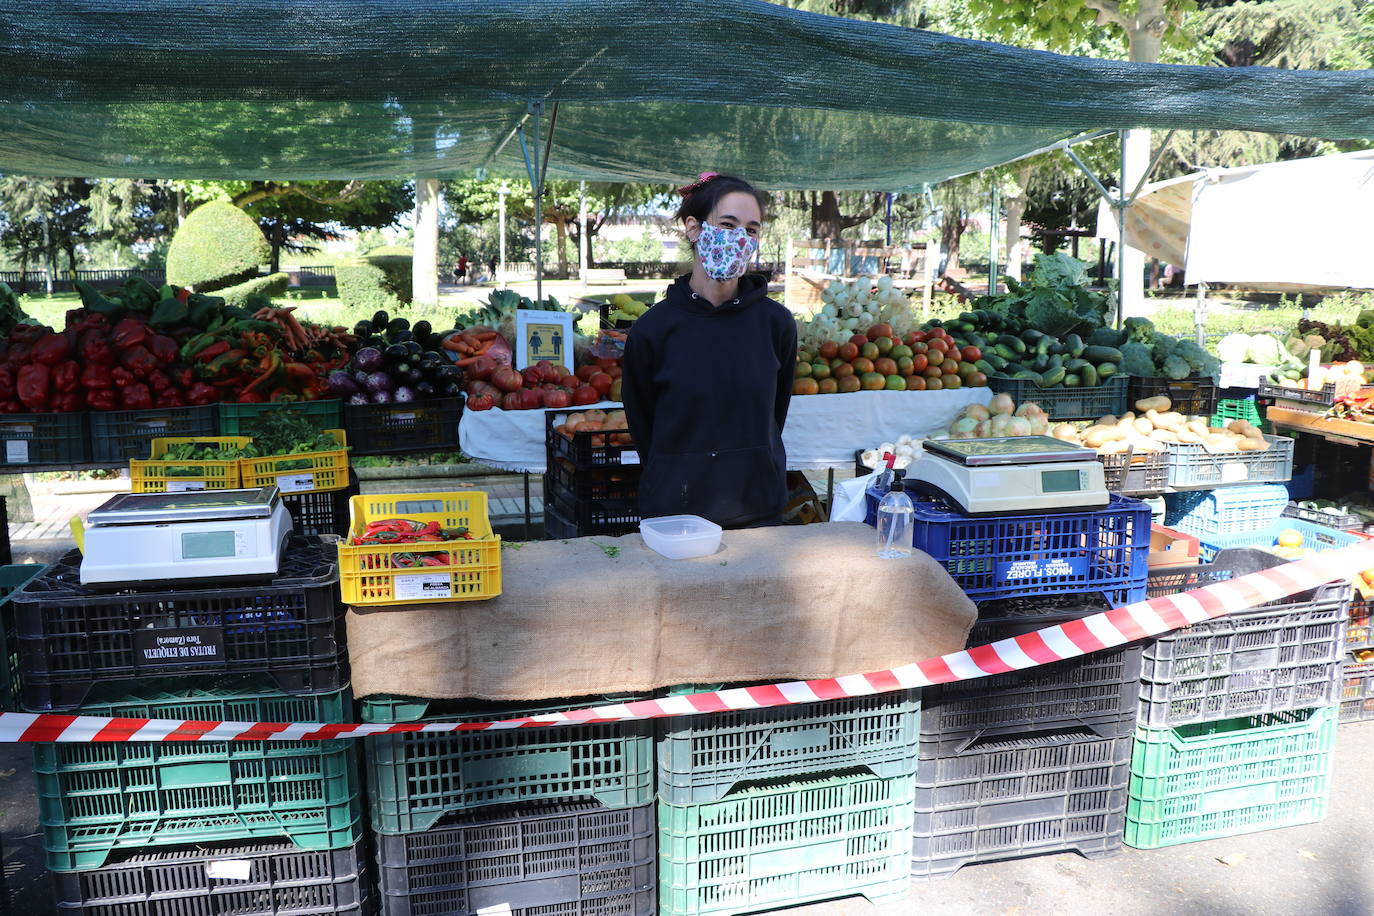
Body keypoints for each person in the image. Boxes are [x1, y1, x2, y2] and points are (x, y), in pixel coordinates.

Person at [622, 172, 796, 529]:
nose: (739, 238)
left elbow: (775, 414)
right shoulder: (653, 330)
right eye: (727, 223)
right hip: (676, 512)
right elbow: (643, 424)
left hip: (758, 509)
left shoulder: (776, 324)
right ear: (694, 228)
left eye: (751, 229)